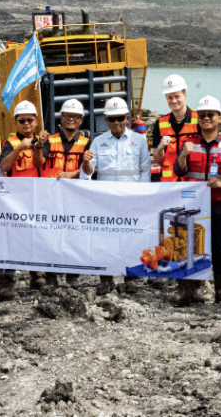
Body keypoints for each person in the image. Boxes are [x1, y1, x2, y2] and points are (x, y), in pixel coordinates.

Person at [171, 96, 221, 306]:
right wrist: (183, 156)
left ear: (219, 118)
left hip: (219, 204)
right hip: (193, 206)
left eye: (211, 115)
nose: (206, 118)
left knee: (218, 246)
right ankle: (192, 288)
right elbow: (178, 170)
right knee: (190, 246)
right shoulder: (189, 143)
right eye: (202, 115)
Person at [81, 97, 151, 294]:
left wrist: (141, 194)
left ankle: (132, 278)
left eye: (120, 118)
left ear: (127, 118)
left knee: (132, 237)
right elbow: (87, 173)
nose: (116, 123)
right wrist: (86, 163)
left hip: (131, 197)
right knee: (106, 239)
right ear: (106, 120)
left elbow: (145, 170)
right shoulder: (98, 142)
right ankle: (106, 278)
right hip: (107, 200)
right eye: (112, 119)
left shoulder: (138, 141)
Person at [0, 100, 48, 296]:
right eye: (22, 121)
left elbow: (39, 164)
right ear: (16, 122)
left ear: (36, 122)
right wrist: (19, 148)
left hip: (36, 197)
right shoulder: (9, 143)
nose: (26, 124)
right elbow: (4, 167)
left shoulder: (43, 142)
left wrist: (37, 146)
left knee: (35, 237)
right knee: (14, 239)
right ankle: (8, 279)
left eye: (30, 120)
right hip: (15, 199)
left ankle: (36, 275)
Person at [40, 98, 91, 288]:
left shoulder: (86, 142)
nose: (71, 119)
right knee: (51, 236)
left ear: (81, 120)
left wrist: (74, 174)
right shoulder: (50, 141)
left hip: (75, 197)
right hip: (51, 196)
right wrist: (38, 146)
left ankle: (72, 275)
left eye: (75, 117)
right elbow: (39, 162)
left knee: (74, 235)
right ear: (61, 117)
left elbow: (90, 169)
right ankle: (51, 276)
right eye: (67, 116)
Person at [151, 74, 200, 182]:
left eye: (177, 96)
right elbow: (158, 160)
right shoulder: (160, 123)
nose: (173, 101)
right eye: (169, 97)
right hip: (169, 184)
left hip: (191, 182)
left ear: (185, 95)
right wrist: (160, 147)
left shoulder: (198, 120)